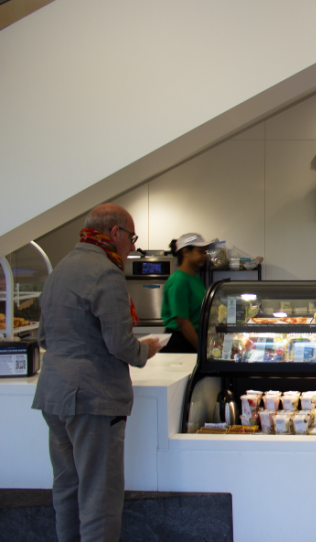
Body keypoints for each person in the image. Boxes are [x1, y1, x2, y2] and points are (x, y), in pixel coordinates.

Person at [32, 203, 163, 542]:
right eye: (131, 237)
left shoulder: (60, 269)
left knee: (66, 489)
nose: (133, 246)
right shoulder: (106, 272)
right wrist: (146, 348)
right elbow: (121, 345)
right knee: (99, 498)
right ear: (115, 233)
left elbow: (44, 337)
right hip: (94, 399)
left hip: (54, 396)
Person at [161, 233, 212, 353]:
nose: (204, 256)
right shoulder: (179, 280)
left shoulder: (194, 277)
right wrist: (204, 350)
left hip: (192, 338)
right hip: (180, 343)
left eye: (205, 252)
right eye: (200, 252)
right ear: (185, 252)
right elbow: (183, 322)